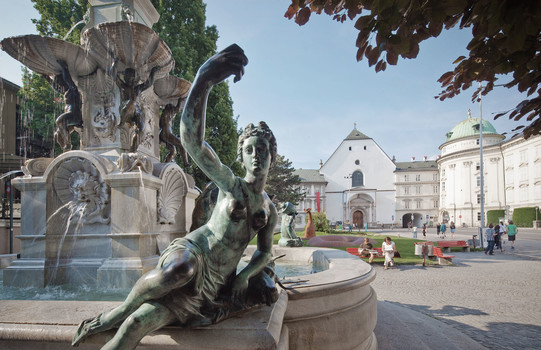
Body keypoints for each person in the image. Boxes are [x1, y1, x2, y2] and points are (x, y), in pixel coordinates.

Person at [72, 44, 279, 350]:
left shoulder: (269, 209)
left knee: (137, 325)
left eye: (262, 149)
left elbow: (265, 252)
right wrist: (204, 79)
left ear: (273, 155)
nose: (256, 156)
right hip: (194, 253)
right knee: (179, 272)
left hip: (213, 283)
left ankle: (126, 318)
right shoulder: (229, 184)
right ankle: (120, 309)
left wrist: (244, 277)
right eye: (249, 150)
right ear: (242, 157)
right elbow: (192, 141)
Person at [52, 60, 83, 152]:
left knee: (59, 121)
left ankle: (68, 144)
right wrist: (44, 76)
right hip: (70, 117)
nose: (58, 86)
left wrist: (64, 68)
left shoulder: (72, 89)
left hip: (75, 115)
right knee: (57, 135)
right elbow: (53, 86)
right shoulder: (65, 92)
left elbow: (67, 79)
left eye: (59, 83)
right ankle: (66, 151)